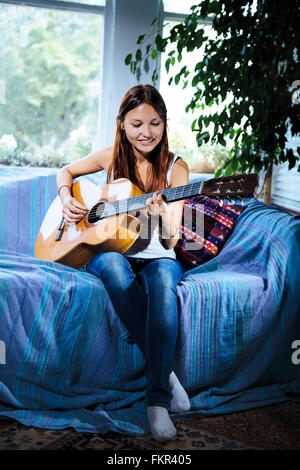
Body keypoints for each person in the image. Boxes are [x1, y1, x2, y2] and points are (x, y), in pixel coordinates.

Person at [56, 84, 190, 442]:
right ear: (122, 125)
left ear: (164, 124)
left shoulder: (176, 169)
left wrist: (161, 217)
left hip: (159, 252)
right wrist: (66, 197)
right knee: (114, 266)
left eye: (155, 123)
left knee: (163, 284)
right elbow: (66, 171)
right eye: (136, 124)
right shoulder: (109, 156)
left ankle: (157, 401)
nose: (146, 132)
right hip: (110, 249)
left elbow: (174, 238)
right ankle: (167, 375)